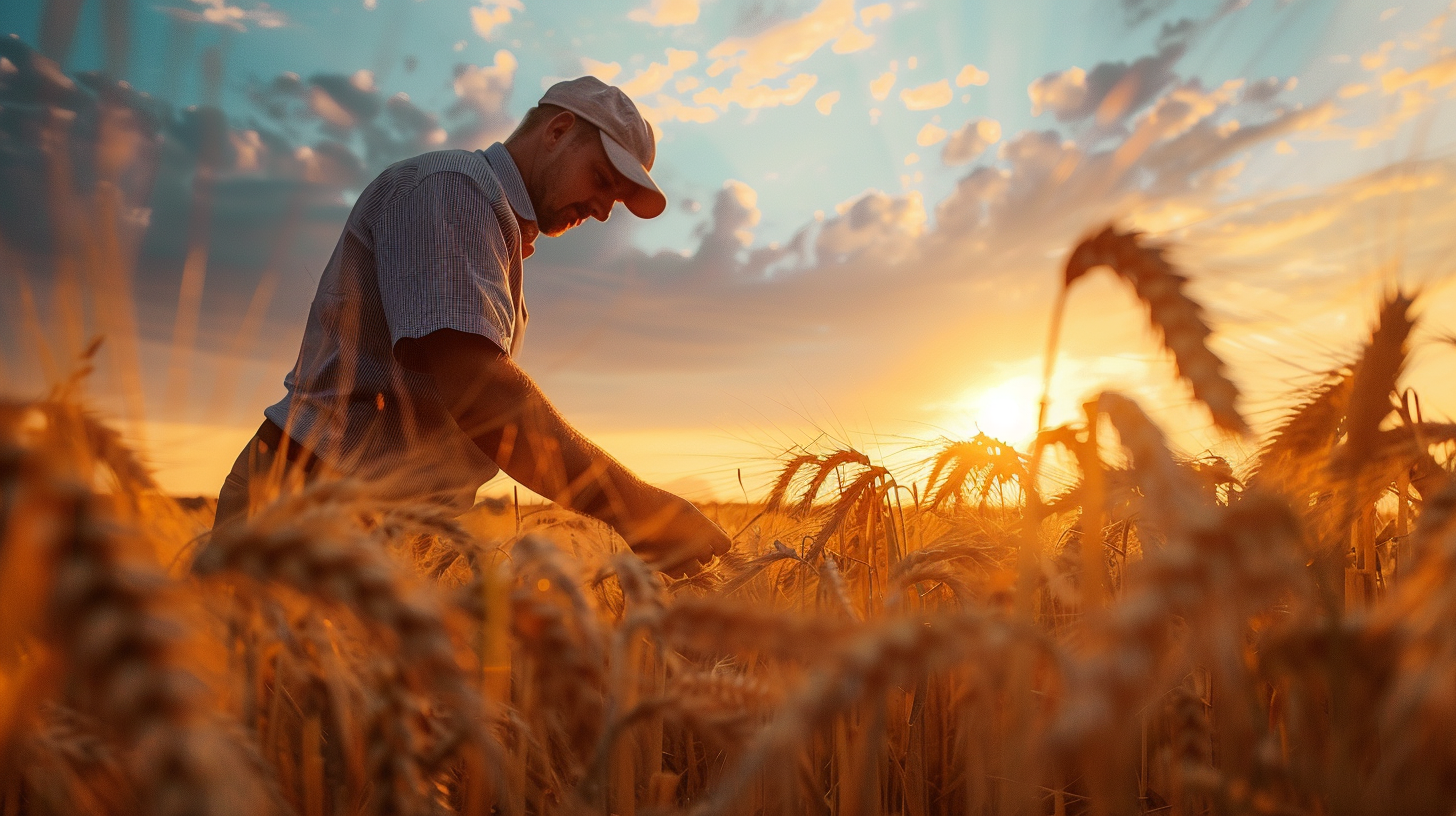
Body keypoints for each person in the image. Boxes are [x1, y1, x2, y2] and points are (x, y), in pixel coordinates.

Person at [213, 76, 731, 574]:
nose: (601, 210)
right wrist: (638, 508)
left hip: (365, 519)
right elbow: (482, 392)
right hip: (309, 500)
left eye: (615, 199)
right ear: (557, 132)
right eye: (601, 179)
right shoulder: (451, 192)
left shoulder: (492, 227)